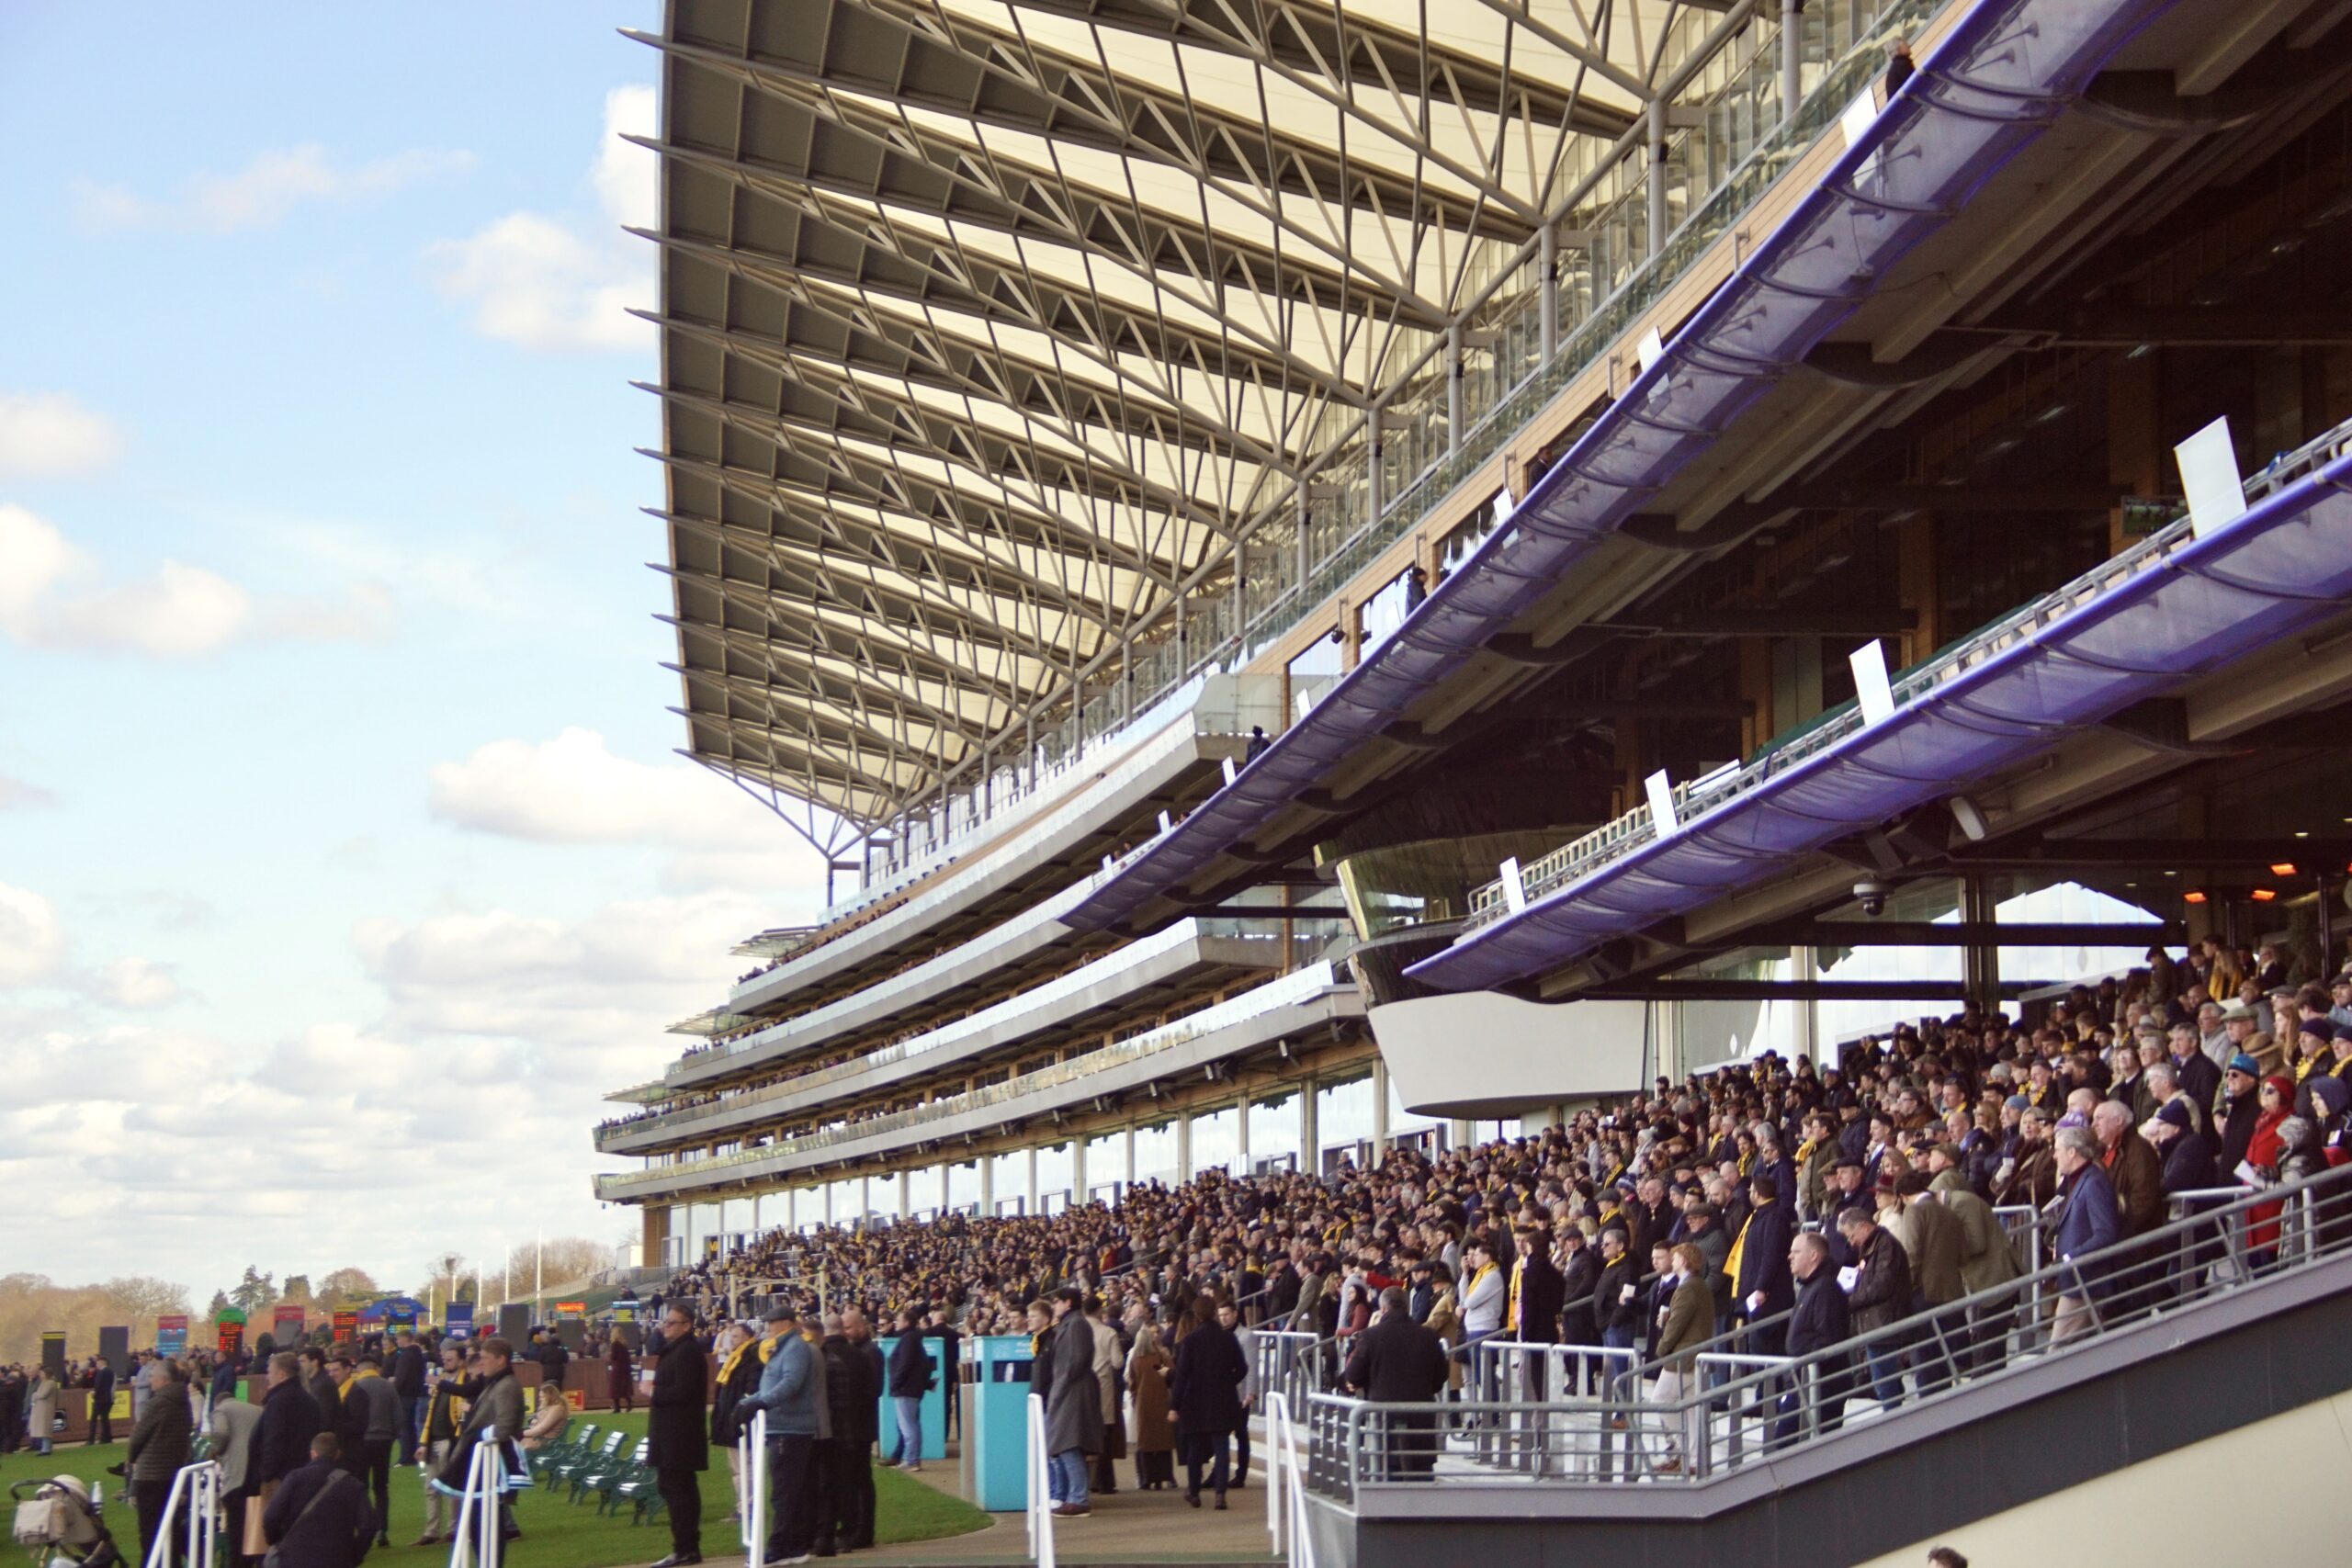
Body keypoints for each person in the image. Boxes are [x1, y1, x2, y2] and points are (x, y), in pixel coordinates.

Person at [1338, 1287, 1448, 1479]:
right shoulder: (1428, 1336)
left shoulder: (1370, 1336)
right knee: (1421, 1476)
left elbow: (1354, 1375)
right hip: (1420, 1416)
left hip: (1383, 1416)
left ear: (1383, 1308)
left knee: (1386, 1477)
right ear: (1407, 1307)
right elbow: (1441, 1375)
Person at [740, 1304, 818, 1566]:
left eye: (771, 1323)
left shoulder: (794, 1347)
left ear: (786, 1323)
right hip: (782, 1426)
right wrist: (750, 1403)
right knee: (786, 1489)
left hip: (790, 1428)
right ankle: (792, 1544)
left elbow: (790, 1383)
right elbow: (773, 1385)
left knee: (784, 1491)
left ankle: (783, 1546)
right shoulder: (783, 1347)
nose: (767, 1327)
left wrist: (762, 1402)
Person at [646, 1303, 712, 1568]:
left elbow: (684, 1391)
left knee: (679, 1491)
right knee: (675, 1488)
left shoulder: (687, 1352)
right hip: (671, 1434)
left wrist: (654, 1391)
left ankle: (685, 1548)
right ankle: (686, 1547)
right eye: (665, 1322)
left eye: (672, 1322)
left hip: (680, 1436)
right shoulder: (676, 1350)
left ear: (686, 1325)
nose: (666, 1326)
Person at [1167, 1291, 1247, 1509]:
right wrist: (1229, 1382)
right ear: (1214, 1313)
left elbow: (1181, 1375)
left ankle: (1194, 1492)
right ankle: (1220, 1493)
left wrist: (1174, 1405)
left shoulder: (1189, 1341)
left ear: (1197, 1315)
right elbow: (1242, 1368)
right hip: (1223, 1399)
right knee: (1222, 1447)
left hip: (1194, 1401)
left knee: (1195, 1448)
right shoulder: (1228, 1338)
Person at [263, 1432, 377, 1568]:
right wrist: (354, 1555)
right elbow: (368, 1526)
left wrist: (277, 1542)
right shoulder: (353, 1485)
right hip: (337, 1559)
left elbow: (271, 1517)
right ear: (338, 1454)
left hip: (295, 1557)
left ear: (313, 1454)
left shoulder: (295, 1478)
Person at [815, 1312, 878, 1557]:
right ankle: (860, 1531)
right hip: (860, 1428)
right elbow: (873, 1390)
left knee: (836, 1482)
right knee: (860, 1481)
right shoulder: (861, 1356)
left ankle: (848, 1531)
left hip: (838, 1430)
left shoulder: (830, 1356)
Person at [1647, 1244, 1713, 1475]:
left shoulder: (1687, 1288)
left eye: (1674, 1258)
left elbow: (1677, 1324)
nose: (1671, 1262)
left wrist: (1661, 1348)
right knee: (1690, 1411)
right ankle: (1693, 1458)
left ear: (1684, 1260)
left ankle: (1685, 1451)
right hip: (1695, 1355)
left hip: (1683, 1356)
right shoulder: (1698, 1285)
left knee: (1661, 1399)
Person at [2051, 1127, 2122, 1342]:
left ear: (2072, 1152)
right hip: (2076, 1282)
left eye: (2057, 1150)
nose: (2054, 1156)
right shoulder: (2078, 1180)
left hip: (2085, 1282)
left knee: (2058, 1353)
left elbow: (2105, 1233)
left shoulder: (2093, 1182)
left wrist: (2069, 1257)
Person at [1779, 1233, 1850, 1441]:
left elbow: (1827, 1338)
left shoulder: (1826, 1289)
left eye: (1796, 1252)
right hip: (1803, 1380)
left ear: (1813, 1256)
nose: (1789, 1257)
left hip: (1819, 1384)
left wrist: (1804, 1365)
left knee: (1786, 1443)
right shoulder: (1810, 1286)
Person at [1040, 1288, 1102, 1517]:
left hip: (1073, 1392)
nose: (1054, 1306)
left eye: (1056, 1302)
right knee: (1066, 1444)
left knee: (1068, 1444)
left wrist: (1060, 1388)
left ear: (1067, 1303)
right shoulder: (1071, 1324)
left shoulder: (1076, 1325)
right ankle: (1074, 1497)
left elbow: (1075, 1361)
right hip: (1070, 1389)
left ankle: (1079, 1498)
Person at [129, 1358, 194, 1568]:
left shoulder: (158, 1402)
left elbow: (137, 1436)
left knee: (149, 1531)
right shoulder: (184, 1402)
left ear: (164, 1380)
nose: (150, 1381)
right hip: (173, 1473)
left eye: (152, 1376)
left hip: (150, 1474)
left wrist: (130, 1460)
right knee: (171, 1527)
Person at [413, 1344, 466, 1548]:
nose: (446, 1362)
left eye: (450, 1359)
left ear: (461, 1361)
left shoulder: (463, 1382)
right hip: (434, 1440)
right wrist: (423, 1442)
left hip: (448, 1441)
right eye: (445, 1359)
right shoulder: (442, 1382)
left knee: (451, 1488)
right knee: (431, 1488)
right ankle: (431, 1531)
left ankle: (453, 1529)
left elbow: (461, 1416)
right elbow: (431, 1415)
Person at [345, 1352, 399, 1548]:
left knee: (361, 1486)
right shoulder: (388, 1386)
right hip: (383, 1441)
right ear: (376, 1368)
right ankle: (382, 1530)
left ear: (359, 1370)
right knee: (381, 1487)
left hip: (361, 1442)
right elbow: (398, 1417)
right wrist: (391, 1436)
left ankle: (363, 1527)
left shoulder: (354, 1387)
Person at [209, 1382, 262, 1568]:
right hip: (259, 1479)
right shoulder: (256, 1410)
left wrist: (215, 1451)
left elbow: (221, 1433)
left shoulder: (220, 1410)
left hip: (237, 1479)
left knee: (236, 1534)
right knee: (257, 1534)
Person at [1125, 1325, 1176, 1490]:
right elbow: (1170, 1374)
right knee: (1162, 1441)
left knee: (1145, 1442)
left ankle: (1146, 1478)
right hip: (1161, 1401)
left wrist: (1134, 1398)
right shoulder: (1160, 1357)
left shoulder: (1136, 1360)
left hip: (1142, 1403)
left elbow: (1131, 1382)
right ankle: (1164, 1476)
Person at [883, 1307, 933, 1472]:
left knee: (908, 1426)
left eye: (899, 1319)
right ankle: (912, 1458)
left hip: (906, 1389)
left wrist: (896, 1383)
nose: (896, 1323)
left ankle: (911, 1459)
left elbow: (904, 1364)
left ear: (907, 1322)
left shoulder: (909, 1339)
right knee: (912, 1425)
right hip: (912, 1388)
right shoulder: (913, 1339)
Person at [389, 1329, 426, 1468]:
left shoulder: (405, 1355)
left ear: (405, 1339)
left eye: (398, 1339)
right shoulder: (418, 1354)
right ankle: (411, 1455)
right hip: (415, 1393)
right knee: (411, 1427)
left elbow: (402, 1377)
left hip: (404, 1395)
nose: (397, 1342)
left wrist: (394, 1388)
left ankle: (405, 1458)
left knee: (404, 1428)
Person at [28, 1364, 58, 1456]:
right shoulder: (43, 1383)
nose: (40, 1375)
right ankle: (44, 1448)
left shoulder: (50, 1383)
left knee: (45, 1429)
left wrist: (35, 1395)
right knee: (42, 1429)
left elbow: (43, 1395)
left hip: (46, 1410)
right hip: (40, 1409)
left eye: (41, 1373)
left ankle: (46, 1449)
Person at [86, 1357, 115, 1446]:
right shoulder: (111, 1372)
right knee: (105, 1418)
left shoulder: (101, 1372)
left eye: (98, 1363)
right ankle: (107, 1438)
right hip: (108, 1399)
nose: (96, 1365)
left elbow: (98, 1385)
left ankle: (91, 1439)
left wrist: (94, 1393)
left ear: (102, 1362)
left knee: (93, 1419)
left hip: (99, 1399)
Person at [607, 1331, 637, 1415]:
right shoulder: (624, 1345)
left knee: (615, 1389)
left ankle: (617, 1407)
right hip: (625, 1369)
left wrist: (610, 1356)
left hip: (617, 1370)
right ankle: (629, 1403)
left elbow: (614, 1357)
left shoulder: (614, 1344)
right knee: (624, 1388)